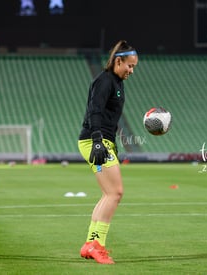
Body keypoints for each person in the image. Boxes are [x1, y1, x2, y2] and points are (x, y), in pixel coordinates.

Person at [78, 40, 138, 264]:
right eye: (129, 66)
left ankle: (90, 244)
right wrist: (97, 141)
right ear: (118, 61)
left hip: (103, 141)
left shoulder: (117, 82)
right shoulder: (105, 81)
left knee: (109, 194)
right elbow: (94, 110)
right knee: (116, 193)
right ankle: (96, 245)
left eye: (134, 67)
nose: (131, 70)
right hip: (95, 140)